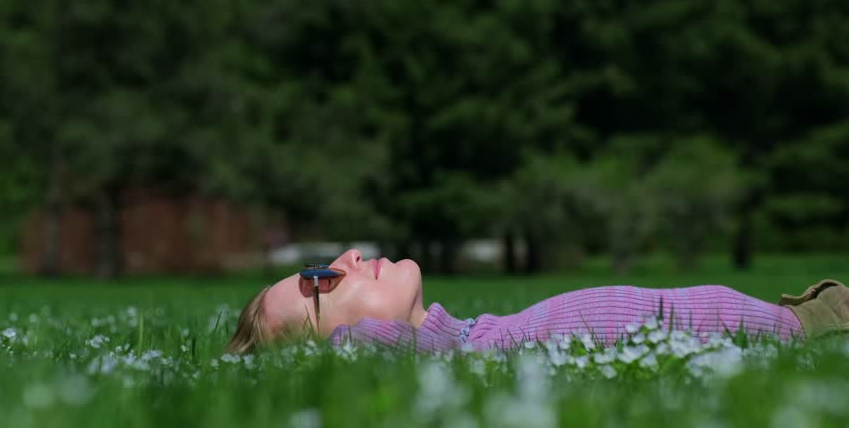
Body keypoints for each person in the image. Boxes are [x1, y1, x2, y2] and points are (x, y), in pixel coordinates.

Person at [226, 249, 849, 354]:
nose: (343, 261)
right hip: (806, 334)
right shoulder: (446, 361)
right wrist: (331, 354)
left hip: (799, 317)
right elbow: (367, 347)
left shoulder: (467, 337)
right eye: (319, 285)